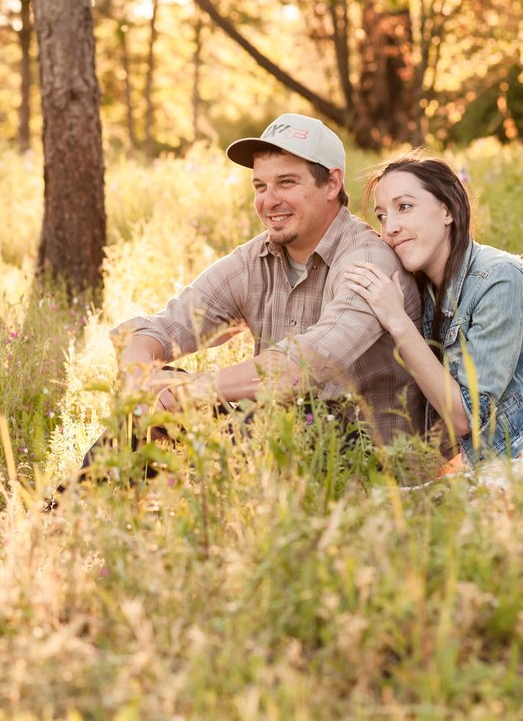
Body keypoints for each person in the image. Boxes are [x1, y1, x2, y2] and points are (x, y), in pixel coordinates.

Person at [87, 113, 426, 475]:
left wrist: (197, 388)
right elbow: (163, 327)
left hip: (364, 462)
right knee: (160, 405)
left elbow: (305, 366)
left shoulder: (367, 260)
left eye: (287, 182)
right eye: (260, 187)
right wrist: (141, 379)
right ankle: (69, 514)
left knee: (213, 407)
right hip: (279, 446)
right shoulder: (255, 260)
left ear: (331, 183)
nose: (270, 200)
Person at [344, 151, 523, 484]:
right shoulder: (425, 291)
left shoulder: (500, 279)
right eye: (382, 216)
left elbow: (465, 419)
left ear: (447, 210)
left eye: (405, 207)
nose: (390, 229)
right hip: (497, 459)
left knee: (414, 516)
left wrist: (397, 320)